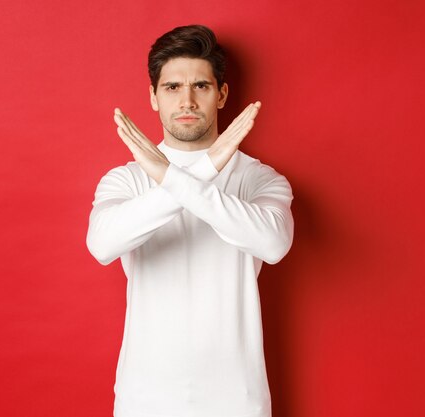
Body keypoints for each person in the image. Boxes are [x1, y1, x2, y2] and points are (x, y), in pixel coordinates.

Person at [86, 24, 294, 417]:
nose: (187, 100)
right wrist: (206, 168)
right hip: (144, 399)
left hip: (238, 401)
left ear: (222, 95)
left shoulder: (258, 179)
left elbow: (274, 244)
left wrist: (179, 174)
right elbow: (102, 245)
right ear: (153, 97)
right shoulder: (126, 179)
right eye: (172, 87)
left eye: (200, 86)